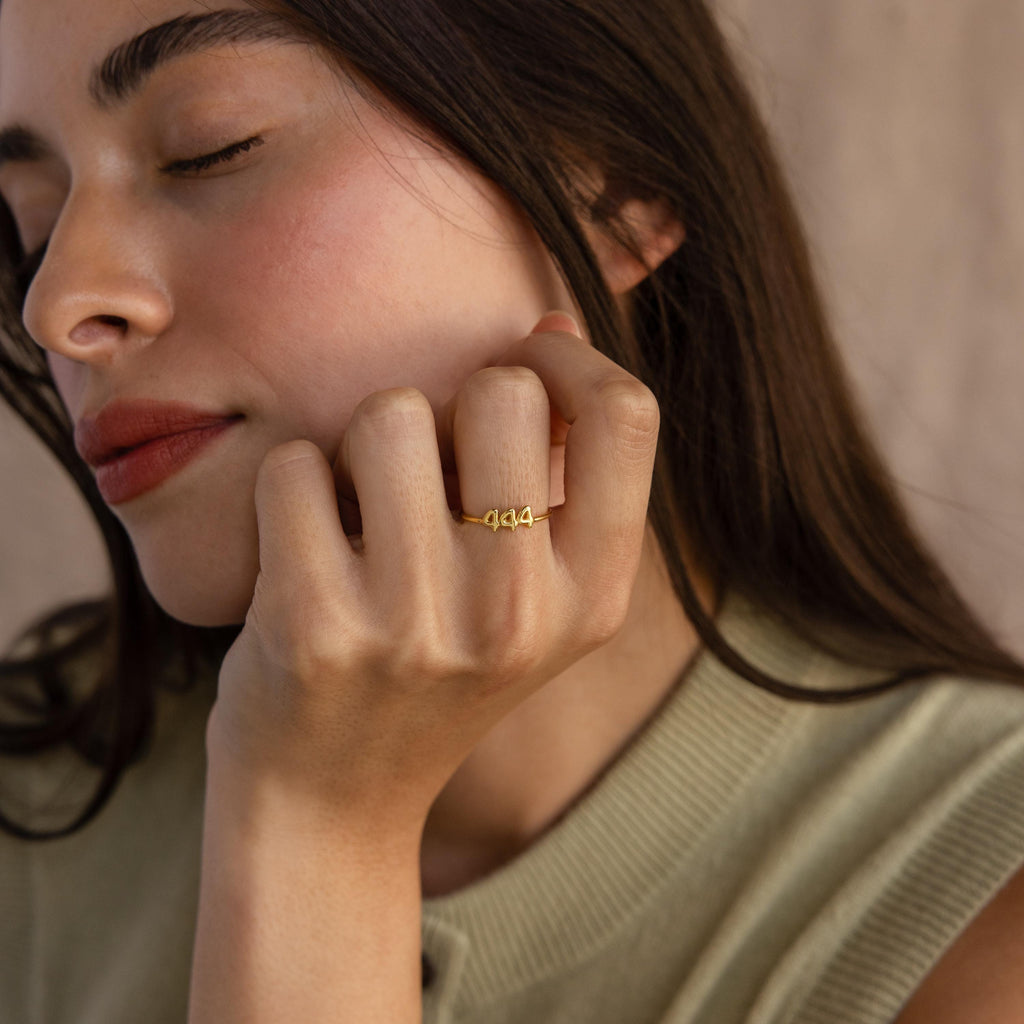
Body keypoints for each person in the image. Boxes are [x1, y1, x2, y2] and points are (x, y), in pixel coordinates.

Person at [0, 0, 1022, 1021]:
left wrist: (317, 826)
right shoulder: (33, 807)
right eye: (33, 219)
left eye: (208, 148)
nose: (57, 301)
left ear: (609, 183)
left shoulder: (975, 902)